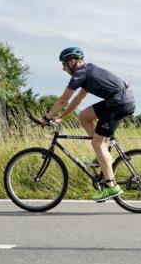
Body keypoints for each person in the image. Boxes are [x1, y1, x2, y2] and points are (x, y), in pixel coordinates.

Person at [41, 47, 135, 202]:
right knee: (83, 117)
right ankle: (104, 156)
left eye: (64, 64)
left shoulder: (80, 73)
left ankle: (111, 187)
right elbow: (78, 99)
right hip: (120, 100)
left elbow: (63, 100)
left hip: (118, 103)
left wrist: (45, 118)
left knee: (97, 144)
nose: (63, 68)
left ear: (72, 61)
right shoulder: (88, 71)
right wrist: (62, 117)